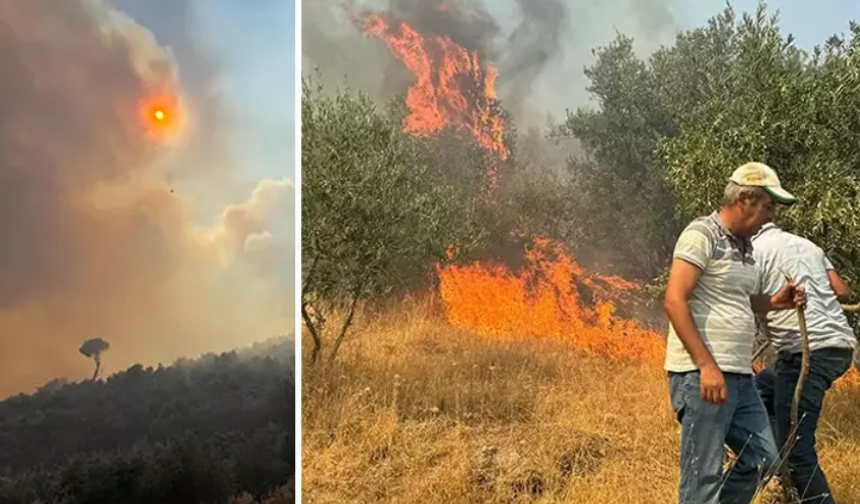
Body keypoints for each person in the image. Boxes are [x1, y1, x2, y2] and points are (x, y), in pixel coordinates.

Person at [663, 162, 805, 504]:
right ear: (744, 199)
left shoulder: (747, 248)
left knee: (763, 460)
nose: (770, 216)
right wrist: (706, 366)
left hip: (740, 376)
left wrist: (776, 301)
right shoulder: (702, 234)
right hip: (703, 376)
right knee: (703, 474)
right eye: (767, 206)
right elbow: (674, 300)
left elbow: (739, 301)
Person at [751, 222, 858, 504]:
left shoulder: (753, 250)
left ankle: (785, 466)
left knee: (796, 449)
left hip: (806, 352)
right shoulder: (810, 246)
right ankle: (776, 465)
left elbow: (743, 299)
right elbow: (843, 291)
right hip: (840, 347)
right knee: (761, 388)